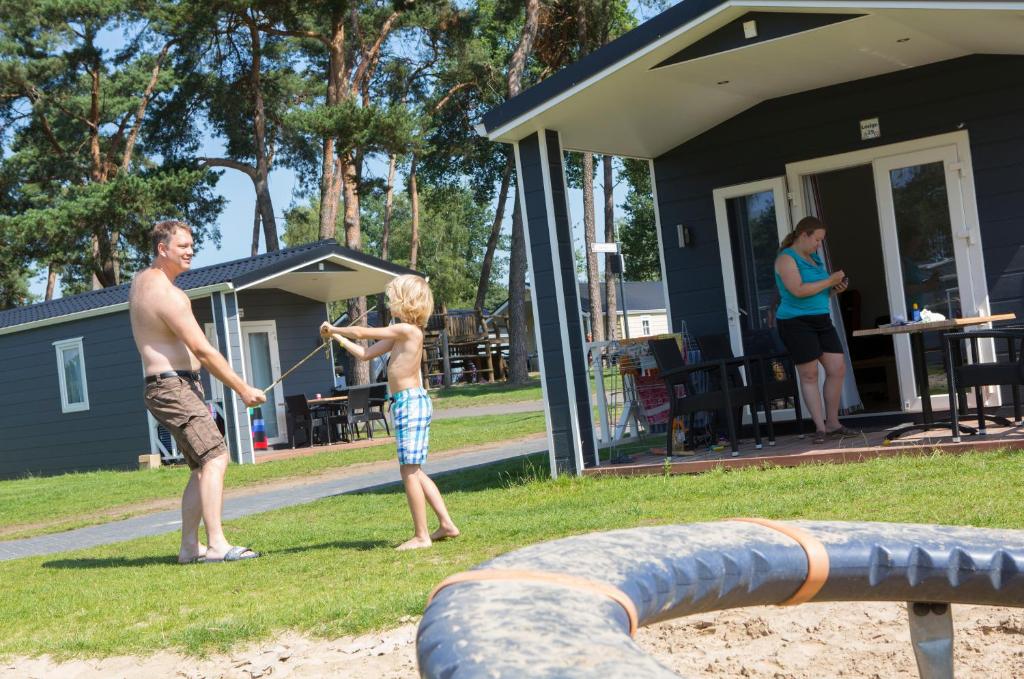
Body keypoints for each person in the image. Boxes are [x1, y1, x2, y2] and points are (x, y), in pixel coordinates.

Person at [129, 220, 266, 563]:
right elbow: (203, 350)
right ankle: (217, 544)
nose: (190, 251)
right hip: (172, 386)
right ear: (162, 249)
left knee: (199, 467)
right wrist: (242, 388)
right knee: (217, 457)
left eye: (192, 245)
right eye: (182, 246)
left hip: (167, 386)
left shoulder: (141, 282)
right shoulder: (168, 294)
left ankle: (190, 547)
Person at [320, 275, 459, 551]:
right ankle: (446, 525)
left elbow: (361, 333)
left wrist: (334, 326)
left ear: (405, 301)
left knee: (408, 470)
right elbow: (364, 353)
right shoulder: (400, 333)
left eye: (392, 296)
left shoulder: (408, 330)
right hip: (405, 402)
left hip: (410, 402)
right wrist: (335, 336)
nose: (388, 302)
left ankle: (421, 537)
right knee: (415, 469)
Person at [773, 216, 857, 444]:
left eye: (820, 241)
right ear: (804, 235)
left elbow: (817, 291)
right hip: (795, 323)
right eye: (817, 240)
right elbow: (798, 290)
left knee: (837, 369)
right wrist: (830, 280)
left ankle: (833, 423)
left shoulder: (814, 259)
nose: (818, 245)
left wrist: (834, 289)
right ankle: (820, 428)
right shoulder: (785, 259)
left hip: (821, 320)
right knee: (810, 375)